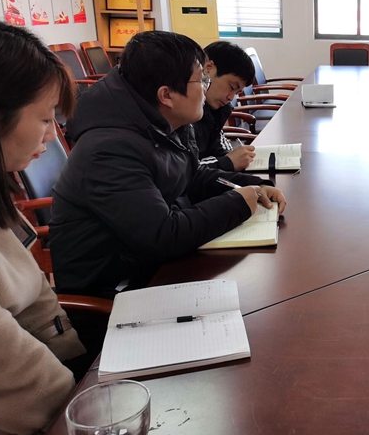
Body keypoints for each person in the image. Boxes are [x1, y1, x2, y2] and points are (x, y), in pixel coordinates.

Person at [49, 31, 286, 298]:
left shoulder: (164, 121)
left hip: (152, 266)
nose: (206, 87)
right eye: (201, 80)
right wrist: (238, 202)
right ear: (166, 95)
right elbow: (163, 235)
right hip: (118, 292)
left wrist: (253, 186)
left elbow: (192, 175)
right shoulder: (109, 150)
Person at [0, 17, 85, 435]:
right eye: (45, 118)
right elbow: (2, 358)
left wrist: (81, 368)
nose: (52, 135)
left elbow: (38, 304)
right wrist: (84, 412)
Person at [194, 41, 257, 172]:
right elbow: (184, 170)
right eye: (232, 87)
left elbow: (220, 148)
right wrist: (228, 162)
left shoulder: (215, 110)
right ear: (208, 68)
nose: (231, 98)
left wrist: (233, 159)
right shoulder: (185, 111)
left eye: (237, 93)